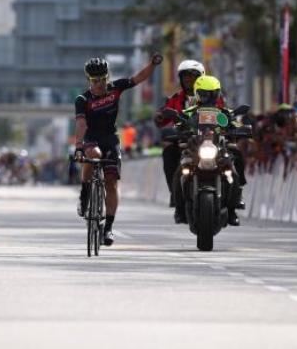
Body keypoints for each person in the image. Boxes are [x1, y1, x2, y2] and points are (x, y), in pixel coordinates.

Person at [74, 54, 162, 246]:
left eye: (103, 79)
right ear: (89, 80)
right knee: (93, 156)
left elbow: (138, 78)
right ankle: (85, 191)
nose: (99, 84)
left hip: (110, 138)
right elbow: (81, 125)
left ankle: (108, 228)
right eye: (95, 81)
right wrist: (79, 147)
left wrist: (153, 65)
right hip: (91, 138)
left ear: (108, 76)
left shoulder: (116, 88)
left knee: (111, 183)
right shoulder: (82, 99)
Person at [173, 75, 245, 226]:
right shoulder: (190, 113)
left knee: (233, 169)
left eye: (212, 94)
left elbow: (235, 125)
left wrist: (241, 129)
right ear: (198, 93)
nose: (209, 97)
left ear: (218, 94)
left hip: (218, 148)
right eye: (205, 94)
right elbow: (179, 124)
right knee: (180, 171)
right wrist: (178, 130)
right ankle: (179, 209)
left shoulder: (224, 114)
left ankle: (233, 209)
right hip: (194, 149)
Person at [154, 60, 226, 212]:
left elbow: (225, 115)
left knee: (234, 155)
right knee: (169, 153)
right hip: (186, 141)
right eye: (185, 76)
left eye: (193, 76)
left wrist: (234, 127)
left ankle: (233, 202)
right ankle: (176, 196)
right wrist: (160, 116)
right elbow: (163, 116)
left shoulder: (216, 95)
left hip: (212, 140)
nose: (189, 79)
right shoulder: (175, 98)